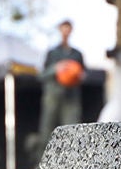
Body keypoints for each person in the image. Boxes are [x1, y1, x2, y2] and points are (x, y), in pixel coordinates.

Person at [36, 20, 85, 156]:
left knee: (73, 128)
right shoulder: (52, 53)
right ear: (60, 30)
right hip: (53, 95)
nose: (66, 32)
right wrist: (56, 68)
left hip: (71, 95)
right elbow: (41, 75)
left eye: (68, 29)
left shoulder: (76, 54)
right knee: (47, 128)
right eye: (63, 29)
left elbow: (83, 73)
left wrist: (78, 74)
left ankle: (73, 160)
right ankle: (42, 161)